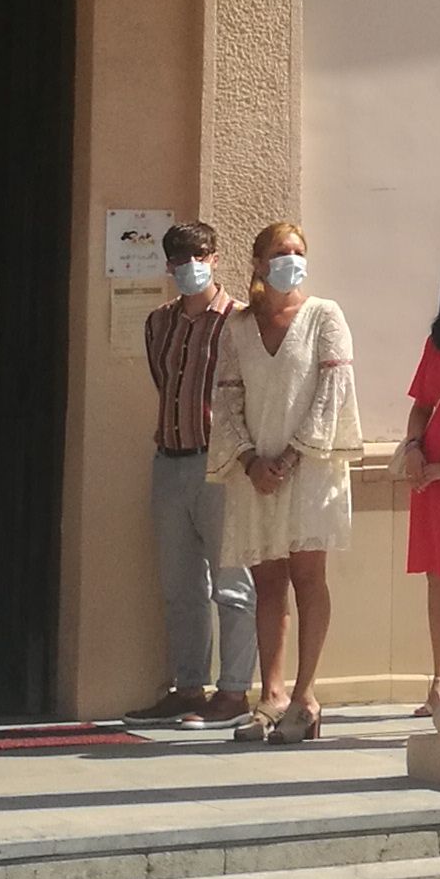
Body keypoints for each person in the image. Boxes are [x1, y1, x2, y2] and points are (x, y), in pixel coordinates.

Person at [211, 221, 357, 745]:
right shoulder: (238, 327)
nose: (289, 260)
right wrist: (250, 459)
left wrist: (292, 456)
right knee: (266, 580)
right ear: (257, 263)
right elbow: (226, 398)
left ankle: (305, 696)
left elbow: (333, 390)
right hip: (255, 471)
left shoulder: (324, 316)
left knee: (307, 576)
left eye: (297, 252)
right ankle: (269, 695)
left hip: (310, 467)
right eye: (279, 252)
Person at [136, 220, 252, 726]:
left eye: (199, 255)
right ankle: (188, 687)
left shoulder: (239, 321)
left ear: (216, 258)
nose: (191, 266)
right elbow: (163, 382)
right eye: (181, 259)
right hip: (170, 461)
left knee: (232, 583)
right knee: (180, 585)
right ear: (168, 266)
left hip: (220, 464)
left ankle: (232, 693)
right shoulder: (157, 323)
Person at [400, 257, 440, 719]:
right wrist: (416, 448)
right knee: (439, 576)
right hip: (432, 474)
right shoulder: (436, 343)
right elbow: (422, 405)